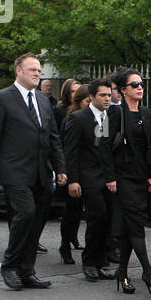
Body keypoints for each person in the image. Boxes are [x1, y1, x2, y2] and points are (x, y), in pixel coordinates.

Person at [0, 53, 67, 291]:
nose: (37, 74)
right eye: (33, 70)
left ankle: (27, 270)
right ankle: (9, 265)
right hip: (15, 171)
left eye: (39, 71)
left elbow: (52, 137)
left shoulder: (42, 100)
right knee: (25, 214)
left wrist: (60, 167)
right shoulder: (1, 99)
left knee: (37, 220)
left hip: (41, 171)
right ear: (18, 70)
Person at [107, 68, 151, 295]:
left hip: (141, 178)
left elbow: (150, 149)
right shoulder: (114, 114)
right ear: (123, 90)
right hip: (122, 178)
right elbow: (104, 148)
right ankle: (148, 272)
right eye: (134, 84)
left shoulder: (146, 114)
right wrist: (110, 177)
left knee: (130, 227)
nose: (140, 87)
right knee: (136, 225)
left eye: (141, 83)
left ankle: (121, 274)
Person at [63, 79, 116, 281]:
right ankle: (90, 262)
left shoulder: (108, 117)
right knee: (96, 218)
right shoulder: (77, 119)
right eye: (103, 95)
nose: (107, 99)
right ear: (92, 96)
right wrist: (73, 180)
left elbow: (107, 151)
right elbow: (71, 152)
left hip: (105, 178)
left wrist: (112, 178)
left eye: (109, 95)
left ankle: (100, 261)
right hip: (87, 177)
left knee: (106, 220)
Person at [57, 83, 88, 264]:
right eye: (86, 101)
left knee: (82, 212)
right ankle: (65, 244)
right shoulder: (71, 118)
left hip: (90, 172)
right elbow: (68, 150)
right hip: (75, 171)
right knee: (71, 211)